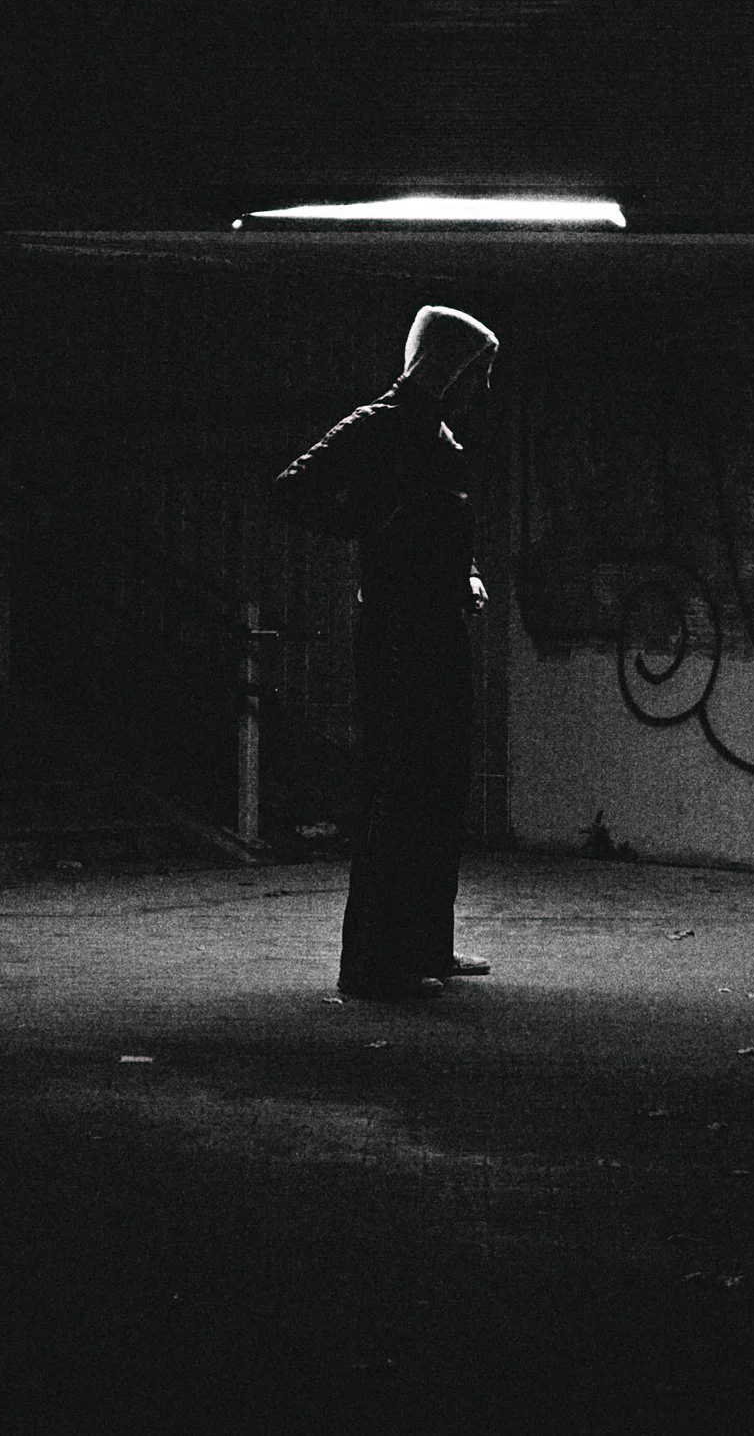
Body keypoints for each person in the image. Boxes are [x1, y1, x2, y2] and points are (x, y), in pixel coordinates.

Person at [271, 304, 499, 1000]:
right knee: (397, 790)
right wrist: (373, 524)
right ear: (447, 366)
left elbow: (437, 527)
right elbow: (291, 490)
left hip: (435, 623)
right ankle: (370, 961)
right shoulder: (378, 425)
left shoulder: (438, 436)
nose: (483, 387)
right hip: (399, 633)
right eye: (478, 371)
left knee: (438, 787)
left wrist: (464, 572)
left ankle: (425, 945)